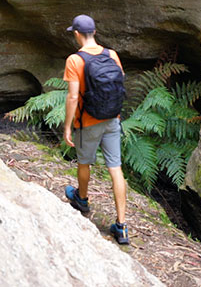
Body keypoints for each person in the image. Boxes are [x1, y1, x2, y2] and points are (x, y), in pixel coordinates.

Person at [62, 14, 130, 245]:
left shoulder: (75, 60)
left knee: (84, 162)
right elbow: (119, 82)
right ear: (95, 32)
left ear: (77, 34)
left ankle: (82, 200)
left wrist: (68, 126)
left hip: (87, 121)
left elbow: (72, 97)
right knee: (115, 167)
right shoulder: (111, 55)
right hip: (112, 119)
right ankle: (121, 226)